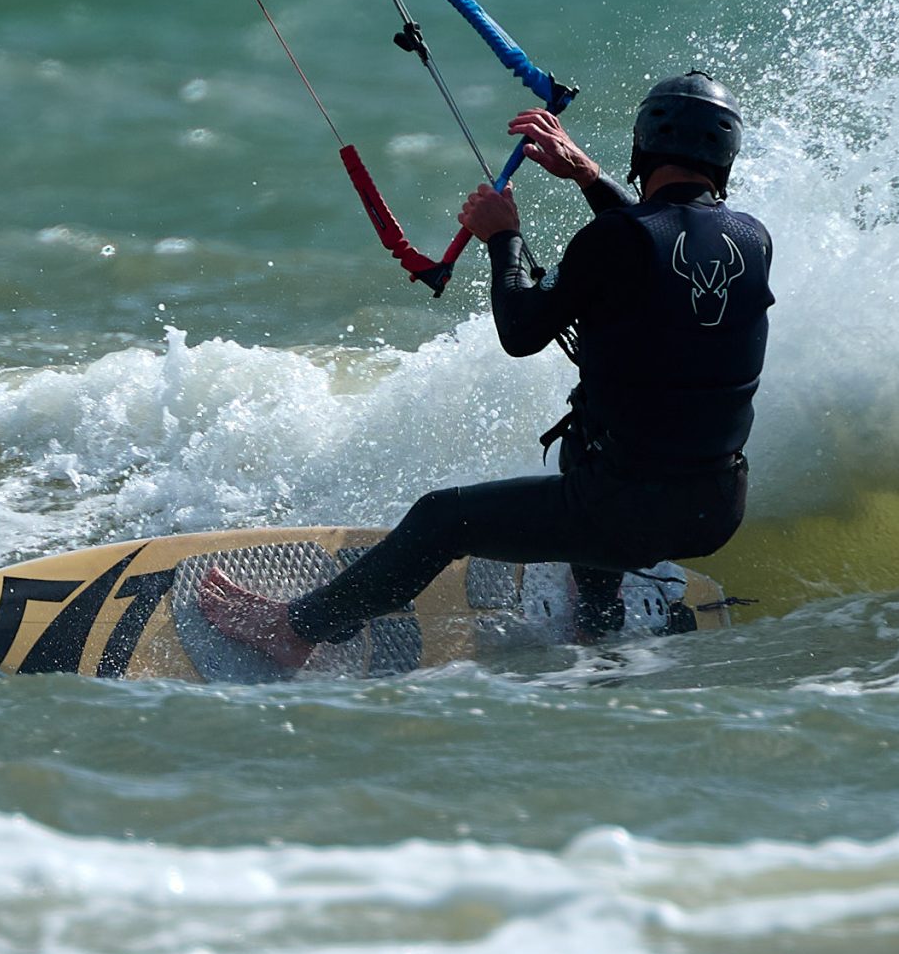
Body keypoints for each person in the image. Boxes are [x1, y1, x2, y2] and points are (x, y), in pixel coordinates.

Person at [199, 71, 773, 666]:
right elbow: (658, 239)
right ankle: (598, 624)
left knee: (442, 518)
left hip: (627, 514)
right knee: (586, 440)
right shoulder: (752, 240)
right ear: (724, 160)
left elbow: (522, 333)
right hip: (715, 511)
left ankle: (297, 629)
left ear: (641, 148)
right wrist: (587, 175)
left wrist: (504, 237)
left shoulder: (613, 240)